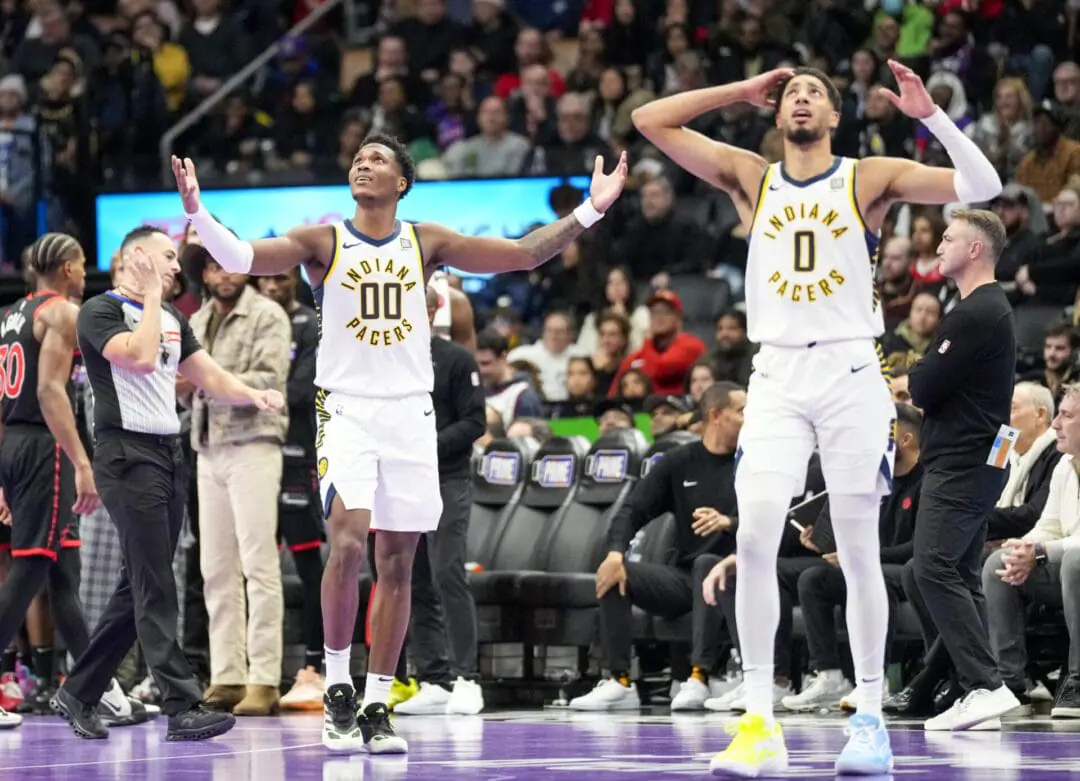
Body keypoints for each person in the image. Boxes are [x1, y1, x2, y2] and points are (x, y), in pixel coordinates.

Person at [170, 134, 627, 753]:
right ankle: (338, 686)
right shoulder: (324, 242)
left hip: (411, 415)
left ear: (402, 182)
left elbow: (521, 254)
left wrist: (590, 211)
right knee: (350, 540)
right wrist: (198, 214)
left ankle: (378, 701)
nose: (362, 162)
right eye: (357, 156)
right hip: (348, 411)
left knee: (399, 563)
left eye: (378, 158)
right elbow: (247, 255)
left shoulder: (426, 242)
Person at [632, 58, 1002, 776]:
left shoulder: (866, 177)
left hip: (850, 372)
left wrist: (929, 115)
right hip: (775, 374)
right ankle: (759, 721)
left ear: (835, 117)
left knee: (859, 548)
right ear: (778, 114)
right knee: (761, 531)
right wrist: (737, 91)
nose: (802, 97)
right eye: (791, 91)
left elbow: (982, 187)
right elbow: (651, 120)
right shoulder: (751, 175)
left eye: (817, 93)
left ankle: (868, 717)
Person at [50, 226, 285, 742]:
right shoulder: (99, 311)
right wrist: (153, 292)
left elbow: (208, 375)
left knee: (139, 585)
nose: (177, 267)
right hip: (125, 454)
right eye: (167, 258)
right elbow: (136, 355)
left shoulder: (175, 317)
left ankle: (78, 690)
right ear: (137, 258)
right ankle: (181, 703)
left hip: (168, 454)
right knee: (156, 582)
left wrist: (253, 395)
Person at [0, 234, 154, 730]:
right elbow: (49, 391)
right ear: (67, 268)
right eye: (83, 264)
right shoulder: (62, 313)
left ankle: (96, 686)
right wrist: (81, 461)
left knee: (64, 570)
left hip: (15, 445)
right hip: (47, 445)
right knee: (28, 570)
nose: (86, 273)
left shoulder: (8, 317)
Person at [906, 209, 1021, 731]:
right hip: (976, 459)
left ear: (976, 249)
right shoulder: (982, 310)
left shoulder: (976, 312)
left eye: (949, 238)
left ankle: (985, 685)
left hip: (962, 461)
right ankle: (982, 688)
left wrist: (912, 376)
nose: (940, 245)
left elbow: (926, 387)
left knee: (930, 566)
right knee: (959, 573)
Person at [390, 286, 486, 716]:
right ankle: (434, 677)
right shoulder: (388, 360)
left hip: (447, 478)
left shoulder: (456, 359)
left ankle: (468, 677)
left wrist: (425, 443)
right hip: (406, 480)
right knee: (416, 578)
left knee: (448, 571)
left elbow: (475, 422)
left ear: (433, 311)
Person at [257, 267, 328, 711]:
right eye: (264, 280)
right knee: (256, 567)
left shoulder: (310, 325)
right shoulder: (252, 320)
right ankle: (258, 670)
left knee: (308, 565)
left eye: (280, 279)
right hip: (249, 451)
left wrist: (249, 388)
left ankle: (314, 666)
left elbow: (302, 390)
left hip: (297, 456)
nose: (270, 286)